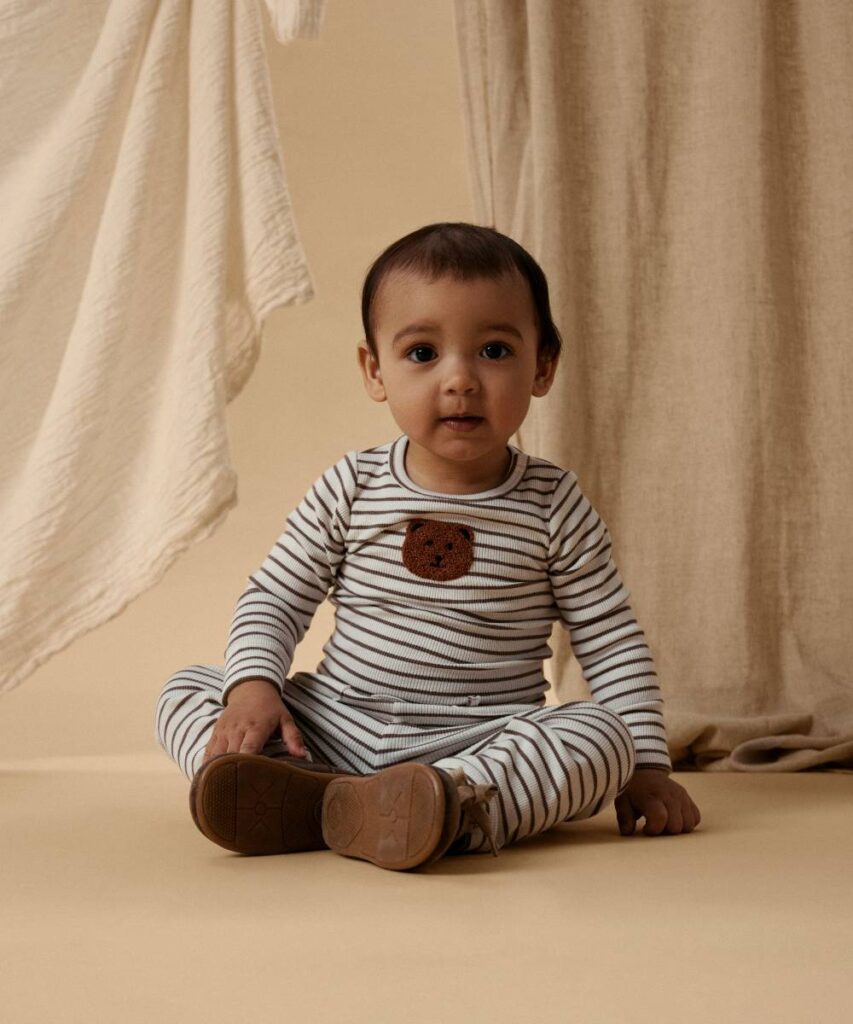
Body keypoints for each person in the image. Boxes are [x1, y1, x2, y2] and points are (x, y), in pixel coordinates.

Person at [155, 221, 701, 871]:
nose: (460, 380)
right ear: (374, 369)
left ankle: (449, 807)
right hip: (334, 726)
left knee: (599, 737)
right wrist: (252, 686)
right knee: (190, 688)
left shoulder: (553, 504)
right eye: (422, 354)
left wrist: (645, 765)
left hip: (476, 742)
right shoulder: (350, 487)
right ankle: (315, 797)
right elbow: (276, 595)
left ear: (542, 366)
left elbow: (608, 638)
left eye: (494, 351)